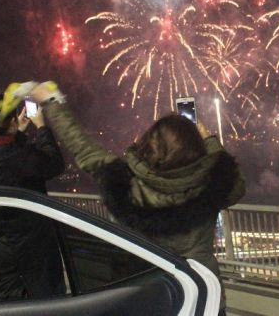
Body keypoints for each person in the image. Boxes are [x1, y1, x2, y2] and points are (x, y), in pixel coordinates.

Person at [29, 83, 245, 314]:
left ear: (148, 144)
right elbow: (231, 177)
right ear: (197, 149)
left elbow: (83, 146)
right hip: (202, 293)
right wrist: (210, 139)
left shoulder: (128, 184)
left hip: (147, 294)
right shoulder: (212, 186)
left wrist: (52, 103)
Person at [0, 93, 66, 301]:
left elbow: (3, 153)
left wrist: (16, 130)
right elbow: (54, 162)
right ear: (11, 122)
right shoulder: (23, 158)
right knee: (48, 301)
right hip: (34, 247)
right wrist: (41, 126)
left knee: (7, 302)